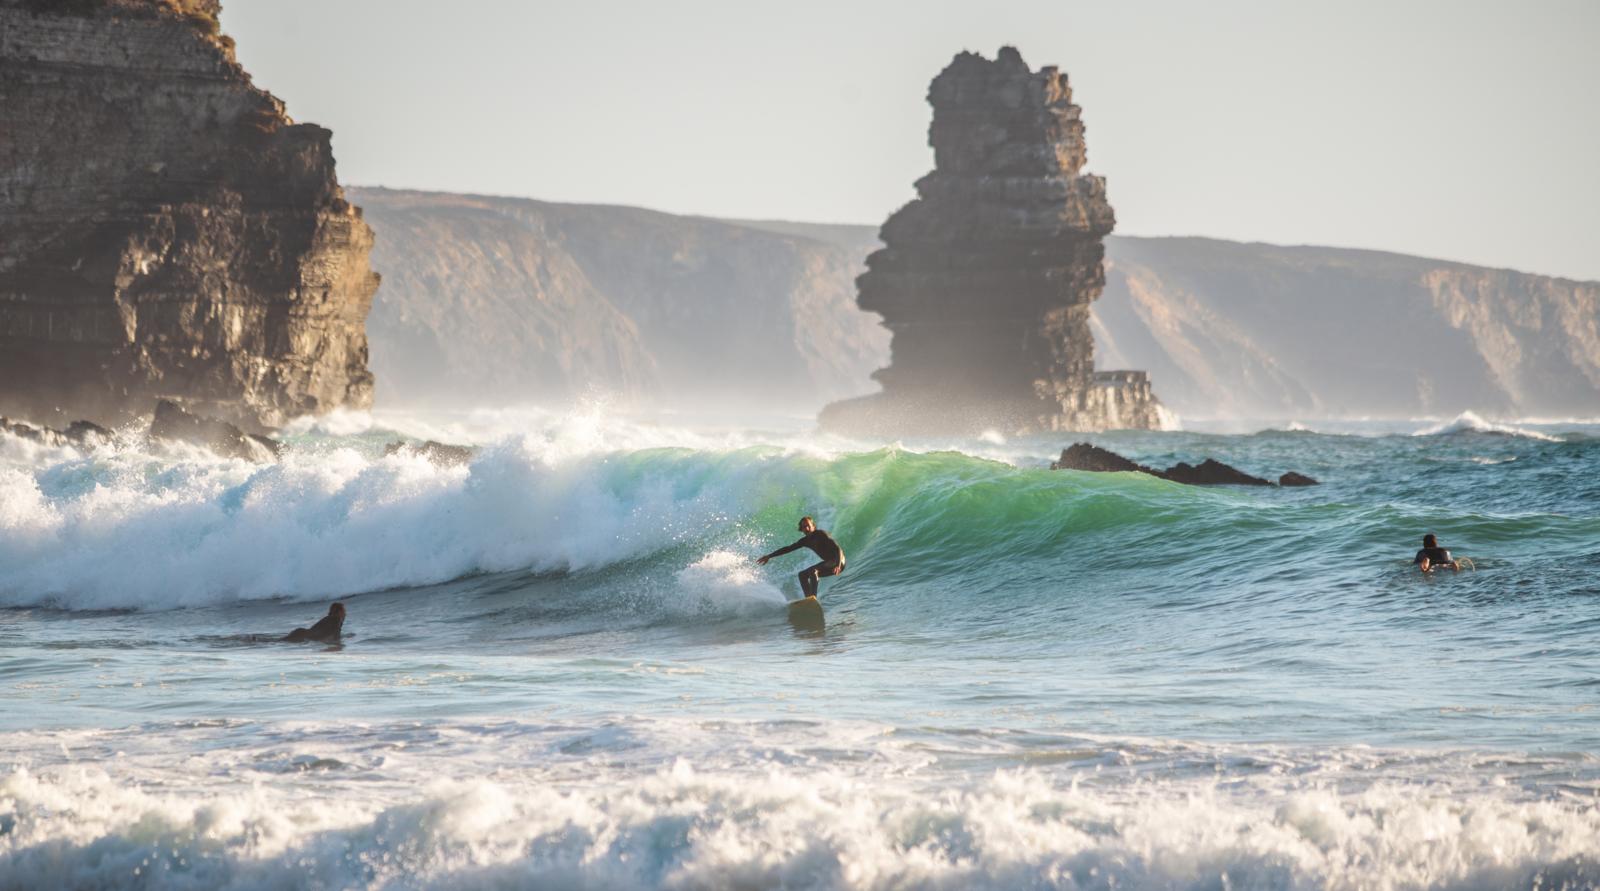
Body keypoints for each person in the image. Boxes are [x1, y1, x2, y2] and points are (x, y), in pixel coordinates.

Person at [757, 516, 845, 599]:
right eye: (803, 527)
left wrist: (838, 565)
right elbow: (788, 549)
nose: (806, 528)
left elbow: (838, 549)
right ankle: (809, 600)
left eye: (808, 526)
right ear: (801, 529)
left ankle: (813, 597)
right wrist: (769, 556)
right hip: (830, 563)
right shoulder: (805, 541)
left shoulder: (821, 534)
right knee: (802, 575)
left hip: (838, 560)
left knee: (813, 571)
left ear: (813, 526)